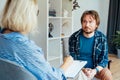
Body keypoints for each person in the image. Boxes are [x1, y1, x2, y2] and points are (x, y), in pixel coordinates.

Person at [0, 0, 73, 80]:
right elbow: (54, 78)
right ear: (28, 15)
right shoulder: (26, 49)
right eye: (37, 12)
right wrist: (67, 63)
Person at [69, 10, 113, 80]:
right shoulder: (74, 38)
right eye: (84, 21)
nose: (87, 25)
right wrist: (83, 69)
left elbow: (104, 59)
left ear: (96, 25)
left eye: (90, 22)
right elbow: (72, 58)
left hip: (96, 69)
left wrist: (94, 71)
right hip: (79, 69)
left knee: (107, 74)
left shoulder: (102, 38)